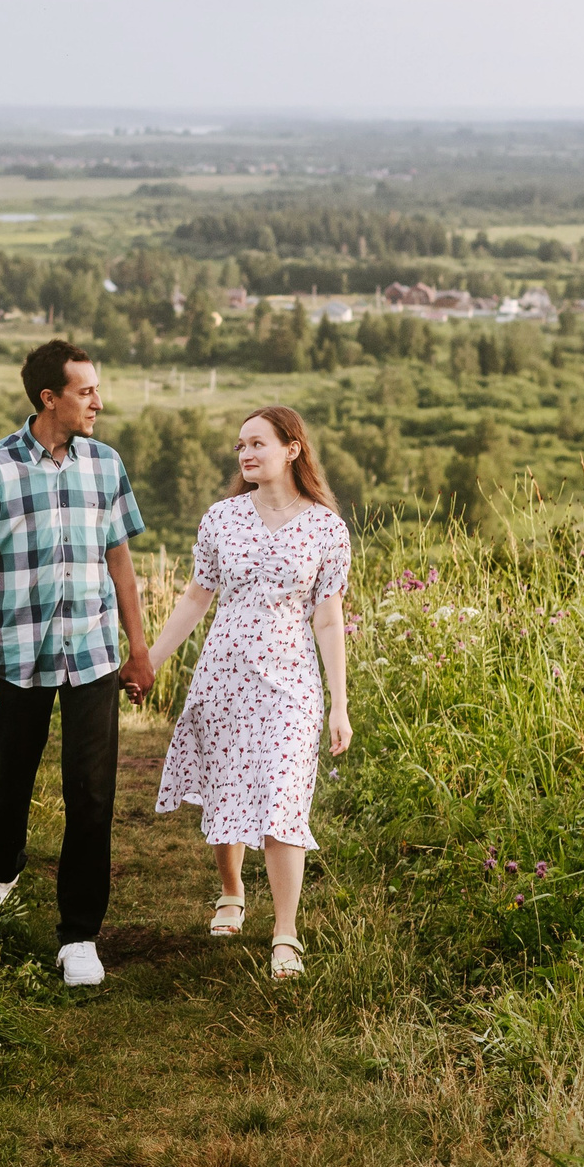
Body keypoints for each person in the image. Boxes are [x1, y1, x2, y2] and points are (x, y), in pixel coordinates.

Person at [0, 339, 154, 988]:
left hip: (92, 653)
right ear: (49, 398)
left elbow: (121, 561)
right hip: (16, 654)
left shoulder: (106, 465)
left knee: (91, 795)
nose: (98, 400)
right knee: (8, 781)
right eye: (86, 390)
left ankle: (79, 934)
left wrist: (139, 649)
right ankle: (1, 867)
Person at [145, 406, 352, 981]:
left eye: (257, 443)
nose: (246, 454)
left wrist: (339, 703)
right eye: (240, 446)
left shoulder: (326, 528)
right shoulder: (222, 518)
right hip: (225, 675)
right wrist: (151, 661)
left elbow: (329, 619)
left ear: (292, 449)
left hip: (291, 683)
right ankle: (232, 891)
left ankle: (285, 934)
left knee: (285, 797)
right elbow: (194, 598)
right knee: (226, 786)